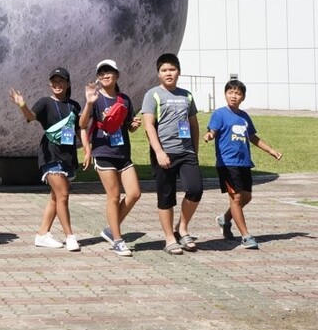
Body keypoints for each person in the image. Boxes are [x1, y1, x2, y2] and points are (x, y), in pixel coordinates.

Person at [9, 67, 85, 252]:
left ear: (68, 84)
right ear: (50, 84)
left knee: (55, 197)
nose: (57, 85)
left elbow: (79, 128)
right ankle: (70, 236)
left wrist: (88, 150)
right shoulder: (44, 102)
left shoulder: (74, 105)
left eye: (61, 81)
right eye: (54, 81)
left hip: (68, 155)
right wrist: (22, 105)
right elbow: (31, 117)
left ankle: (42, 235)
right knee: (63, 195)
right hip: (50, 154)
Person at [204, 80, 282, 249]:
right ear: (225, 94)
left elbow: (253, 137)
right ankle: (246, 236)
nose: (234, 96)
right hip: (227, 164)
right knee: (236, 198)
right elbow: (213, 131)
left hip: (244, 163)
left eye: (238, 93)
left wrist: (271, 150)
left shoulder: (244, 116)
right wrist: (209, 135)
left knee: (246, 197)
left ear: (243, 97)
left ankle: (224, 219)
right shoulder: (219, 114)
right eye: (230, 92)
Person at [141, 53, 202, 255]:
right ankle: (169, 238)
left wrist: (195, 150)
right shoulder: (153, 94)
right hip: (164, 152)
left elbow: (194, 124)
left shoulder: (187, 95)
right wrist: (159, 151)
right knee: (166, 196)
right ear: (158, 74)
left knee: (195, 190)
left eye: (172, 69)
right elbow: (148, 124)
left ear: (179, 72)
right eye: (164, 70)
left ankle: (182, 228)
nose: (169, 73)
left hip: (186, 152)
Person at [79, 59, 142, 257]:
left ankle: (110, 229)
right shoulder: (95, 99)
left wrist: (133, 126)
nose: (105, 75)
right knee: (113, 196)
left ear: (117, 75)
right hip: (103, 152)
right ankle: (117, 239)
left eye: (109, 72)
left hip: (123, 153)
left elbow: (128, 125)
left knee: (134, 193)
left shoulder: (124, 99)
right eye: (101, 73)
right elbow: (82, 124)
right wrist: (89, 103)